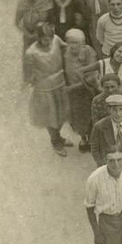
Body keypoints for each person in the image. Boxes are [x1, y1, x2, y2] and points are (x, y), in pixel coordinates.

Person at [24, 23, 71, 154]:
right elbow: (28, 73)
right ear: (39, 38)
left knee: (61, 113)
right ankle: (55, 142)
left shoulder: (56, 39)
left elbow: (65, 47)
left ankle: (59, 137)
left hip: (60, 83)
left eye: (50, 38)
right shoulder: (31, 53)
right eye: (45, 39)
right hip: (45, 89)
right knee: (50, 117)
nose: (49, 41)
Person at [62, 29, 99, 151]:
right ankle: (83, 138)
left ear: (82, 43)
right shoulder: (65, 54)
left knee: (90, 116)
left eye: (75, 42)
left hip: (88, 91)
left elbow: (92, 76)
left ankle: (92, 139)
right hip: (73, 93)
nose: (71, 45)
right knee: (76, 117)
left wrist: (72, 87)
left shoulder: (89, 52)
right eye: (69, 42)